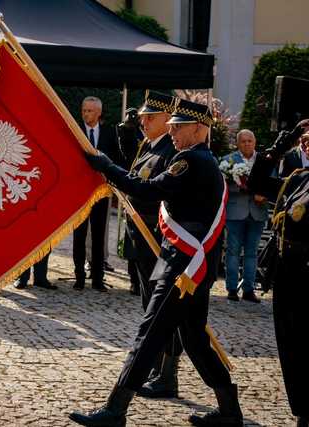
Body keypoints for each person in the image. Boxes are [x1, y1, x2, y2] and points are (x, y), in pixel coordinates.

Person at [70, 99, 243, 427]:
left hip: (182, 267)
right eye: (172, 125)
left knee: (149, 334)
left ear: (199, 129)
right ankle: (230, 410)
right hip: (191, 265)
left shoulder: (190, 161)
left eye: (179, 127)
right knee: (193, 339)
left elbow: (146, 190)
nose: (173, 132)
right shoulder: (201, 160)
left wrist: (106, 165)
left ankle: (115, 410)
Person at [248, 122, 309, 427]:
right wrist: (278, 147)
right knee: (289, 343)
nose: (307, 144)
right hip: (288, 274)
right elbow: (258, 184)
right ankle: (302, 409)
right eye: (306, 140)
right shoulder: (300, 178)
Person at [125, 91, 182, 399]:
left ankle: (167, 374)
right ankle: (157, 367)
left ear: (167, 120)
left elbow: (153, 192)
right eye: (143, 117)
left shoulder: (171, 153)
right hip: (142, 241)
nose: (143, 121)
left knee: (163, 310)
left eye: (151, 117)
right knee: (150, 306)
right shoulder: (148, 147)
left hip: (160, 243)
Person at [73, 96, 120, 291]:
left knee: (99, 236)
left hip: (101, 192)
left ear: (99, 113)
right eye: (84, 110)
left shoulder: (110, 133)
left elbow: (115, 158)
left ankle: (98, 278)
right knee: (79, 236)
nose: (86, 114)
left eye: (90, 111)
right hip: (80, 193)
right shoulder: (76, 131)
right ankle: (79, 277)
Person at [221, 129, 268, 303]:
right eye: (243, 141)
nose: (247, 144)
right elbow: (223, 187)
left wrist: (263, 194)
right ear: (238, 143)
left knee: (252, 252)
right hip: (235, 212)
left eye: (250, 141)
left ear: (255, 143)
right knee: (233, 251)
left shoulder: (265, 160)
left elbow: (272, 181)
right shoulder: (229, 160)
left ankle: (248, 289)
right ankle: (232, 288)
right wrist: (240, 186)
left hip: (257, 211)